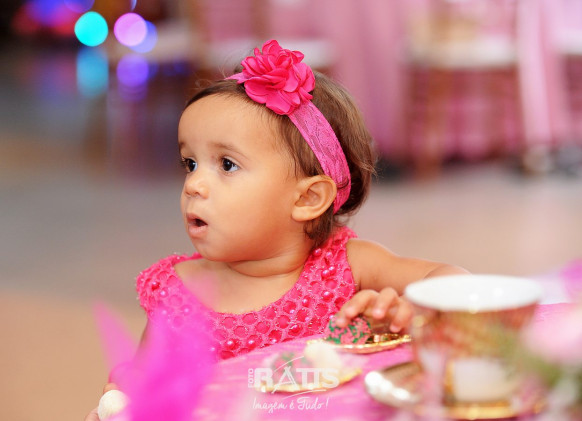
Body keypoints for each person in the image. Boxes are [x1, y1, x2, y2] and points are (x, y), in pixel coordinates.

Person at [86, 39, 467, 420]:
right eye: (190, 163)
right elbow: (148, 386)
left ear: (308, 198)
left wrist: (414, 309)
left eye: (227, 164)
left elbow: (456, 282)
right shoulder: (179, 292)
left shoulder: (348, 265)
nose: (193, 185)